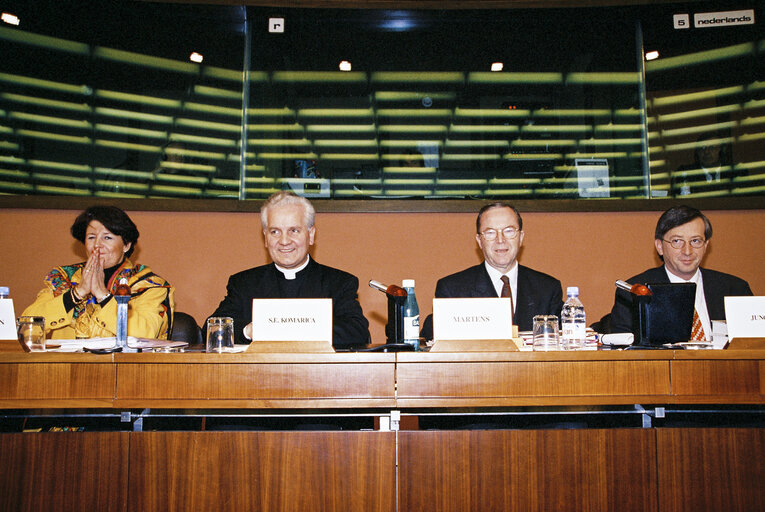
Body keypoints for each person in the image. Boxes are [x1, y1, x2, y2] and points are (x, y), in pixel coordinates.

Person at [209, 191, 370, 349]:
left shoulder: (339, 283)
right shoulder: (244, 283)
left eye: (294, 230)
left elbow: (357, 331)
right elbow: (212, 329)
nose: (284, 241)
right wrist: (248, 331)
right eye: (275, 232)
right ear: (265, 237)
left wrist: (284, 330)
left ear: (311, 235)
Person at [23, 206, 175, 339]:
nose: (97, 245)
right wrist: (77, 293)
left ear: (126, 245)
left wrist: (103, 295)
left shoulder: (149, 285)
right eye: (91, 237)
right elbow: (27, 327)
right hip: (67, 368)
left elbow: (145, 334)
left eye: (107, 237)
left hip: (124, 369)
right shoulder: (63, 278)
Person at [420, 203, 563, 338]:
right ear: (479, 241)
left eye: (509, 231)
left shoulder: (548, 289)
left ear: (521, 237)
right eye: (490, 232)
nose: (500, 240)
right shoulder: (452, 289)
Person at [610, 205, 753, 336]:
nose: (687, 251)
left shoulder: (735, 289)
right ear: (659, 246)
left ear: (706, 245)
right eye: (677, 241)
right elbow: (626, 352)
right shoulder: (634, 291)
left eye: (695, 241)